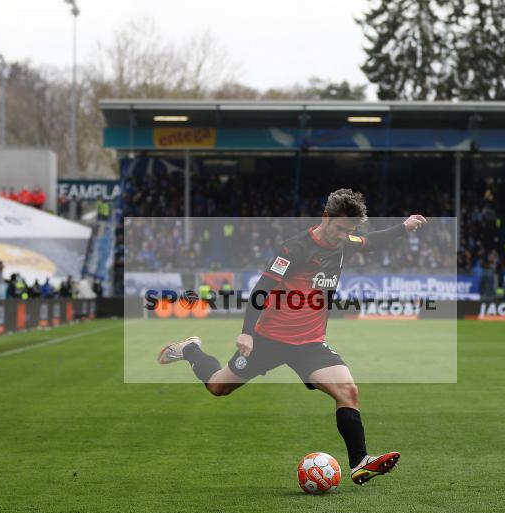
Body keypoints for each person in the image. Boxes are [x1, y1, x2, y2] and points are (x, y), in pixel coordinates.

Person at [158, 189, 427, 486]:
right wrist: (247, 332)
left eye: (349, 231)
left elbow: (372, 241)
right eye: (340, 228)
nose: (343, 236)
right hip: (267, 340)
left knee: (348, 391)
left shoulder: (344, 243)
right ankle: (191, 349)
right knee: (219, 387)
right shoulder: (294, 249)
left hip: (310, 344)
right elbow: (262, 289)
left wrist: (403, 227)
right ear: (325, 217)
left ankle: (359, 462)